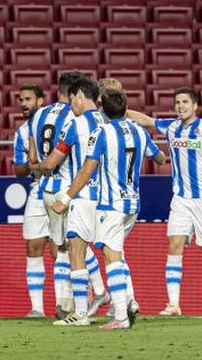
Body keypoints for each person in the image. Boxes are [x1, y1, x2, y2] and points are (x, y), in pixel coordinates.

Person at [52, 88, 165, 329]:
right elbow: (160, 158)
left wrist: (67, 198)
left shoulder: (101, 132)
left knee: (111, 257)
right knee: (115, 254)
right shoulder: (140, 131)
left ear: (102, 108)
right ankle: (126, 306)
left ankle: (121, 314)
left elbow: (87, 169)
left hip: (111, 204)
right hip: (133, 204)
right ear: (125, 107)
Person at [126, 90, 202, 317]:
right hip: (181, 199)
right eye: (177, 102)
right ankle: (173, 304)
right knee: (174, 246)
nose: (180, 106)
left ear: (195, 105)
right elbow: (147, 121)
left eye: (185, 102)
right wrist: (117, 109)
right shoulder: (171, 127)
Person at [26, 71, 110, 319]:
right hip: (73, 187)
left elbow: (33, 157)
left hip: (47, 188)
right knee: (73, 246)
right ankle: (84, 299)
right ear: (75, 94)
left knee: (65, 247)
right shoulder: (77, 118)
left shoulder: (39, 114)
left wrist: (38, 167)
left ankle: (68, 305)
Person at [13, 83, 53, 318]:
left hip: (61, 189)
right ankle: (37, 307)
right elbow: (19, 170)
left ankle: (67, 302)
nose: (23, 104)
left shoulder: (55, 124)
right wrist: (30, 163)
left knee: (63, 248)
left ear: (40, 101)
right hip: (37, 190)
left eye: (28, 99)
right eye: (21, 99)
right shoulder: (21, 132)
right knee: (33, 246)